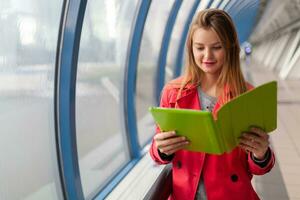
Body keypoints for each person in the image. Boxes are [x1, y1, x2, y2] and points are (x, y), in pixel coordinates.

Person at [150, 9, 275, 200]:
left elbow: (259, 167)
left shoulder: (247, 96)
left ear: (230, 47)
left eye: (216, 47)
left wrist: (261, 153)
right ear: (191, 49)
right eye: (200, 48)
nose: (207, 55)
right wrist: (161, 149)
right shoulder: (173, 92)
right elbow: (157, 152)